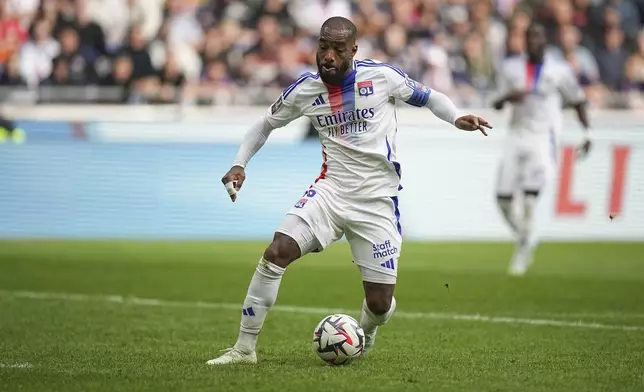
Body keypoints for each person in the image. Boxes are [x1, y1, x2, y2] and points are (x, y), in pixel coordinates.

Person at [208, 16, 492, 365]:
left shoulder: (382, 77)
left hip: (376, 202)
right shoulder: (305, 90)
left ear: (353, 51)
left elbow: (429, 97)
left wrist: (456, 117)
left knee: (379, 305)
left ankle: (366, 331)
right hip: (330, 193)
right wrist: (240, 163)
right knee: (276, 252)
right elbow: (265, 124)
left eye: (337, 49)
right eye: (322, 47)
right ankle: (243, 350)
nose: (327, 56)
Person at [492, 23, 591, 277]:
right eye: (530, 38)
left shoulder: (559, 70)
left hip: (542, 138)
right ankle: (526, 237)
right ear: (524, 42)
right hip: (516, 135)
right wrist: (507, 97)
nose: (535, 42)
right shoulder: (511, 67)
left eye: (539, 37)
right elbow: (496, 103)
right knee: (502, 199)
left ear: (546, 41)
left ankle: (523, 252)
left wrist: (587, 133)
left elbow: (578, 100)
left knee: (528, 199)